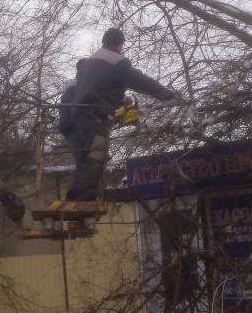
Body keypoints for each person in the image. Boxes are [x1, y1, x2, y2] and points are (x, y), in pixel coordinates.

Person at [63, 27, 180, 201]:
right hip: (94, 120)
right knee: (95, 159)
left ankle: (73, 202)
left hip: (77, 121)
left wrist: (129, 114)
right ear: (120, 45)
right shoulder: (115, 61)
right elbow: (139, 81)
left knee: (84, 162)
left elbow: (103, 93)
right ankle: (83, 204)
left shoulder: (89, 64)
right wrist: (166, 94)